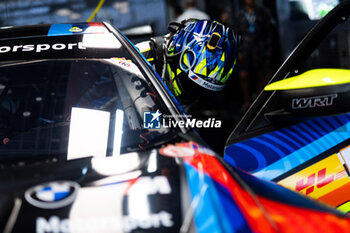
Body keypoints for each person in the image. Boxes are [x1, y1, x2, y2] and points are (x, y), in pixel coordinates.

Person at [136, 19, 239, 107]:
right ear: (175, 55)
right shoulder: (139, 57)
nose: (195, 95)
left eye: (203, 91)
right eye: (192, 86)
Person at [233, 0, 274, 112]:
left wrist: (268, 48)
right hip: (245, 49)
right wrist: (238, 51)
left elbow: (268, 31)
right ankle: (246, 102)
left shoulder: (261, 12)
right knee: (243, 75)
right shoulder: (239, 13)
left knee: (260, 74)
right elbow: (235, 34)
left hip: (258, 47)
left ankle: (259, 101)